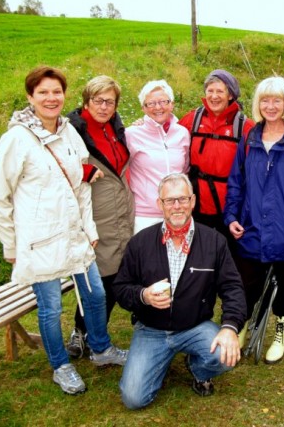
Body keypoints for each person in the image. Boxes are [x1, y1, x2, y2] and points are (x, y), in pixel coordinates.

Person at [0, 66, 127, 396]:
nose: (51, 98)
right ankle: (61, 366)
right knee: (51, 308)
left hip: (76, 236)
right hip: (40, 241)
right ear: (30, 97)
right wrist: (11, 244)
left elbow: (81, 184)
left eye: (56, 92)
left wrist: (89, 228)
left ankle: (101, 349)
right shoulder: (17, 139)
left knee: (95, 295)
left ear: (65, 96)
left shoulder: (68, 132)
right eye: (43, 92)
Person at [113, 173, 247, 409]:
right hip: (151, 330)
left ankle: (197, 368)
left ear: (193, 201)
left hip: (195, 326)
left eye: (183, 199)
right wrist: (143, 296)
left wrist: (229, 327)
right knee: (133, 399)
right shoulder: (140, 243)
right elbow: (121, 288)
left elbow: (232, 287)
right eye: (170, 201)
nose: (177, 206)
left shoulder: (214, 241)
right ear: (159, 204)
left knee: (225, 356)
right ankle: (156, 363)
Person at [224, 77, 284, 363]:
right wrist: (231, 216)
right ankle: (238, 328)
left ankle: (281, 333)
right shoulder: (249, 138)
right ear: (257, 104)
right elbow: (235, 183)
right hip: (251, 230)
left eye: (276, 100)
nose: (270, 106)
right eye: (265, 100)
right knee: (245, 287)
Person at [65, 75, 135, 358]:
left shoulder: (116, 128)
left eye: (110, 101)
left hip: (119, 212)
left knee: (115, 278)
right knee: (97, 280)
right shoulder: (71, 131)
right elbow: (53, 162)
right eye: (98, 100)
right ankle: (82, 333)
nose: (104, 107)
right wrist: (81, 171)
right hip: (92, 214)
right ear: (86, 101)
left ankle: (91, 334)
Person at [178, 69, 255, 242]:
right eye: (210, 91)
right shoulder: (193, 119)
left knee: (227, 255)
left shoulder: (244, 126)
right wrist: (143, 124)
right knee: (198, 254)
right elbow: (168, 137)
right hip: (196, 203)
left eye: (220, 91)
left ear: (230, 95)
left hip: (229, 205)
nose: (214, 96)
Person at [126, 80, 190, 234]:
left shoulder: (182, 133)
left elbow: (185, 169)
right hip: (145, 215)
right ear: (143, 108)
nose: (158, 107)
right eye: (151, 103)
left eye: (163, 101)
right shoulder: (132, 134)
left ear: (172, 104)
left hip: (178, 213)